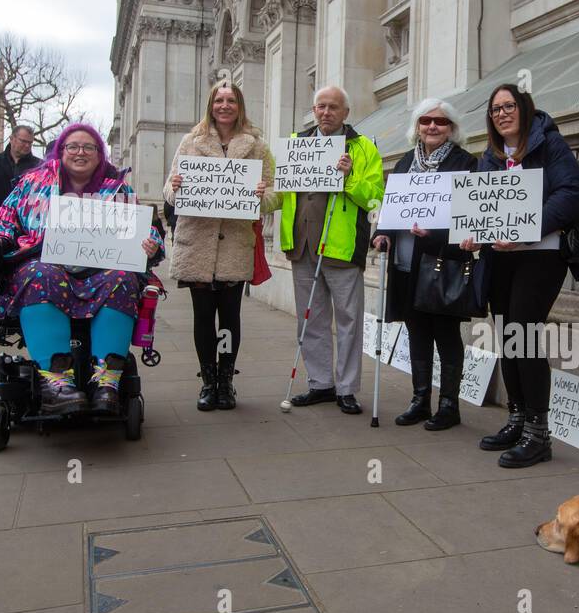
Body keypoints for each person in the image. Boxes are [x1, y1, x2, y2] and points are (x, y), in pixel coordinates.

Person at [0, 122, 163, 415]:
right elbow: (2, 220)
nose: (80, 152)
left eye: (89, 147)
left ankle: (106, 382)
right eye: (73, 147)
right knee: (40, 273)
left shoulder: (117, 187)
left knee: (122, 278)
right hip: (45, 266)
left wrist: (151, 243)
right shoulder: (33, 182)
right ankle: (57, 384)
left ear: (99, 153)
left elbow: (145, 229)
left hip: (100, 269)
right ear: (60, 151)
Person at [460, 85, 579, 468]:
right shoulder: (491, 157)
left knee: (525, 334)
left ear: (524, 108)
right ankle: (517, 417)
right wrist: (471, 233)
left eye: (509, 106)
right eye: (495, 109)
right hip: (500, 259)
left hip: (541, 256)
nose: (502, 114)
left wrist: (525, 230)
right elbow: (478, 204)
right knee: (506, 334)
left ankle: (539, 433)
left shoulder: (551, 146)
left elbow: (568, 194)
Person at [166, 82, 278, 410]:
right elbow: (170, 192)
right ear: (211, 104)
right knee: (203, 317)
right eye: (219, 100)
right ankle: (207, 381)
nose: (224, 105)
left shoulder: (258, 146)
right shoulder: (190, 141)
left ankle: (226, 381)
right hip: (197, 243)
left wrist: (262, 196)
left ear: (240, 106)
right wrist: (174, 187)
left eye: (231, 100)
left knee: (229, 318)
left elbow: (275, 194)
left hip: (234, 244)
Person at [371, 98, 478, 430]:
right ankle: (420, 400)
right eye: (425, 120)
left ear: (452, 128)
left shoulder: (465, 163)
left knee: (445, 334)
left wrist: (434, 233)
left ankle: (448, 405)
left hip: (442, 261)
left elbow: (468, 215)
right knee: (416, 331)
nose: (432, 126)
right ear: (416, 126)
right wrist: (382, 233)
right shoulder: (405, 162)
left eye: (441, 122)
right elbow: (392, 205)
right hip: (405, 262)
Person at [280, 85, 384, 414]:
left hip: (341, 248)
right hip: (302, 246)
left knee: (349, 321)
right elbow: (283, 195)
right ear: (314, 110)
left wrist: (350, 176)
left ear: (346, 113)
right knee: (311, 319)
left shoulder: (364, 147)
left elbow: (375, 200)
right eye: (320, 107)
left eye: (333, 107)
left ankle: (347, 388)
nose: (326, 113)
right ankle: (320, 383)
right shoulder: (296, 145)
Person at [0, 125, 40, 231]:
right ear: (12, 139)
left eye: (30, 143)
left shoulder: (39, 166)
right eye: (23, 141)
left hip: (25, 228)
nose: (27, 146)